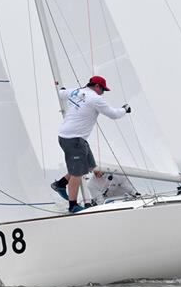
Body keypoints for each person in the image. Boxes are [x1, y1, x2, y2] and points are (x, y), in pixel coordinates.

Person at [51, 76, 131, 213]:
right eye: (103, 90)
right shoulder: (95, 98)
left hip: (70, 137)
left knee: (90, 166)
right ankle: (73, 205)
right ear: (97, 86)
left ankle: (61, 183)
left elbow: (61, 93)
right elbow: (114, 115)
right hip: (74, 139)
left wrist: (63, 89)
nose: (102, 93)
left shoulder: (77, 91)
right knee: (77, 173)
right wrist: (125, 109)